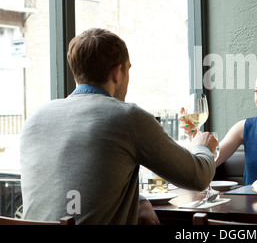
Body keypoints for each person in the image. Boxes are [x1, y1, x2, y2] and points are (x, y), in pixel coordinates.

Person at [20, 28, 217, 225]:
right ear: (117, 72)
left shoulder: (34, 119)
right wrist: (203, 146)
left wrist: (139, 200)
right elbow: (198, 178)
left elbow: (69, 184)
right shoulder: (127, 117)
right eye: (128, 70)